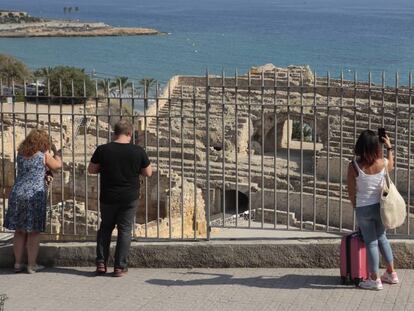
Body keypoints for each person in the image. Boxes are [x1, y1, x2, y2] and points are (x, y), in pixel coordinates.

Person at [88, 119, 152, 277]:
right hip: (129, 197)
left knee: (105, 229)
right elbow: (148, 172)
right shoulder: (138, 151)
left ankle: (101, 264)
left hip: (108, 196)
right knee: (124, 231)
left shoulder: (103, 149)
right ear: (130, 133)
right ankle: (119, 267)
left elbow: (92, 169)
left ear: (114, 133)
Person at [3, 129, 62, 273]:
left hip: (18, 193)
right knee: (33, 232)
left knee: (19, 231)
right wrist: (58, 156)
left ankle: (17, 264)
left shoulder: (21, 154)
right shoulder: (44, 155)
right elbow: (57, 167)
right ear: (42, 142)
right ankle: (31, 265)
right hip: (34, 195)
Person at [347, 129, 398, 290]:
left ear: (360, 146)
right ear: (377, 146)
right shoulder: (382, 163)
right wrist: (389, 147)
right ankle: (391, 273)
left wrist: (356, 207)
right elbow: (391, 164)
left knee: (371, 242)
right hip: (380, 207)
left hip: (363, 208)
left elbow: (351, 190)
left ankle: (374, 280)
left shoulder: (354, 166)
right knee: (382, 238)